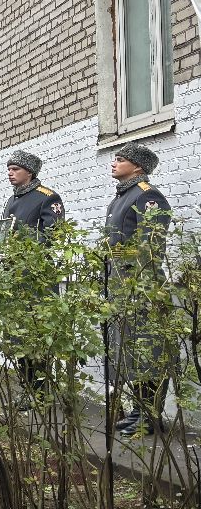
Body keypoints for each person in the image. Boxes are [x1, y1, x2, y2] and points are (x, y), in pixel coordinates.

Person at [104, 142, 172, 439]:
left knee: (148, 350)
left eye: (121, 159)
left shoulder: (147, 195)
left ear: (138, 166)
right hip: (121, 285)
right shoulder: (120, 198)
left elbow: (150, 247)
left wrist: (119, 260)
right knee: (130, 352)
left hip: (141, 286)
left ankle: (150, 415)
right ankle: (139, 410)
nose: (114, 163)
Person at [0, 150, 65, 399]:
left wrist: (21, 244)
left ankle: (40, 391)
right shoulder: (12, 200)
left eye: (15, 169)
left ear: (30, 172)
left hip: (36, 277)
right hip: (13, 275)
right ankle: (27, 387)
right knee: (17, 336)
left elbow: (54, 234)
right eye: (9, 169)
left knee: (36, 333)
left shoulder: (47, 197)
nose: (10, 173)